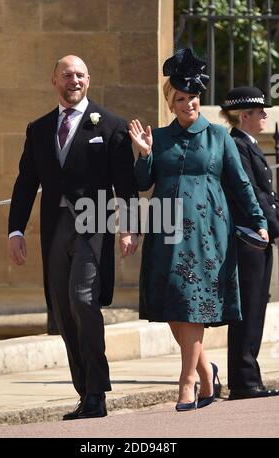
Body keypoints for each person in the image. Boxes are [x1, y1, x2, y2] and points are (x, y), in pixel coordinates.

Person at [129, 48, 268, 411]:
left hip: (208, 234)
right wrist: (143, 154)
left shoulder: (220, 137)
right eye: (180, 98)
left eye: (192, 97)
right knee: (175, 304)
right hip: (165, 231)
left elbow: (240, 183)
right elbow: (142, 183)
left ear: (198, 99)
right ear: (170, 103)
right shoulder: (158, 138)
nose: (188, 103)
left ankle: (187, 380)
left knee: (193, 304)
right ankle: (207, 372)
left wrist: (258, 221)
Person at [8, 55, 139, 419]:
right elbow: (24, 184)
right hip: (55, 228)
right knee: (63, 312)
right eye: (67, 75)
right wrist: (15, 230)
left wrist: (129, 226)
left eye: (80, 74)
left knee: (83, 300)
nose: (74, 80)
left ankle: (97, 391)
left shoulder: (111, 125)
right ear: (54, 81)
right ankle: (85, 392)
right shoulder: (38, 129)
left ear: (89, 80)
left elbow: (125, 185)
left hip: (93, 224)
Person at [220, 86, 279, 400]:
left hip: (258, 238)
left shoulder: (247, 144)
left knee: (256, 308)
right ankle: (244, 382)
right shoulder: (237, 146)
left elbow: (266, 196)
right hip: (248, 239)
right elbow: (252, 196)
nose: (266, 116)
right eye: (260, 112)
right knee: (249, 309)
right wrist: (275, 227)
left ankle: (249, 378)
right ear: (244, 116)